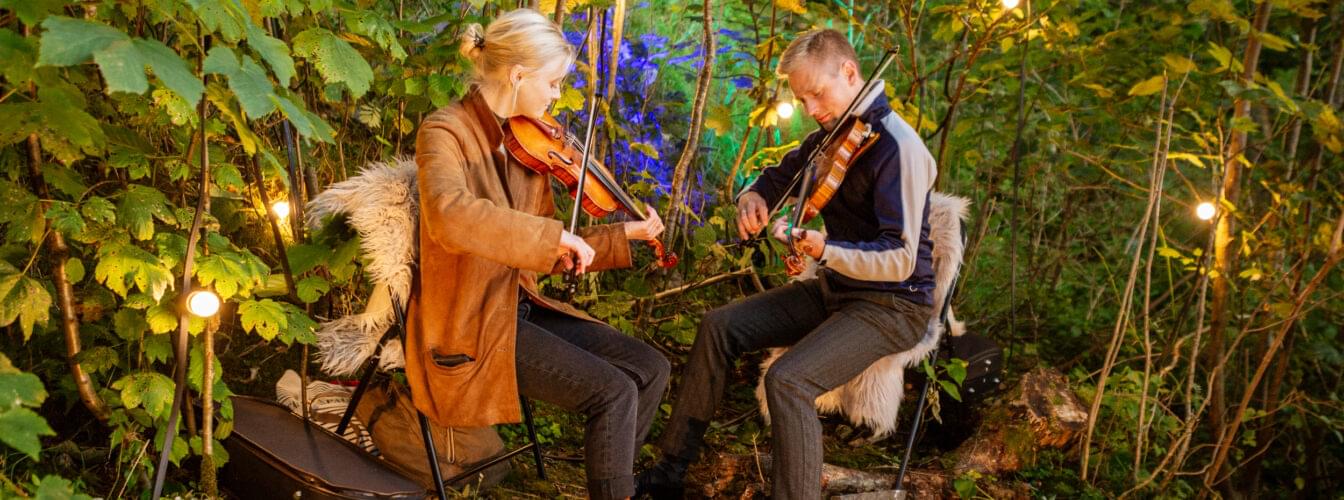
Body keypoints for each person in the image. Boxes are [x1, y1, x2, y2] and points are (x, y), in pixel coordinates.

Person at [637, 28, 939, 499]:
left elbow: (900, 260)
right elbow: (775, 179)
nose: (812, 109)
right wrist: (751, 198)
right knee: (719, 326)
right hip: (837, 290)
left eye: (817, 93)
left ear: (850, 72)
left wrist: (825, 252)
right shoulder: (831, 137)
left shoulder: (899, 147)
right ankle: (670, 473)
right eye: (802, 100)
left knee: (789, 380)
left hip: (894, 306)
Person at [407, 9, 671, 499]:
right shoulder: (443, 132)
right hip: (471, 321)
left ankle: (614, 483)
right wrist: (550, 240)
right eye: (552, 83)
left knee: (650, 368)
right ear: (518, 74)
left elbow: (548, 245)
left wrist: (622, 235)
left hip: (519, 307)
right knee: (612, 392)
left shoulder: (528, 144)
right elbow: (449, 214)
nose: (555, 96)